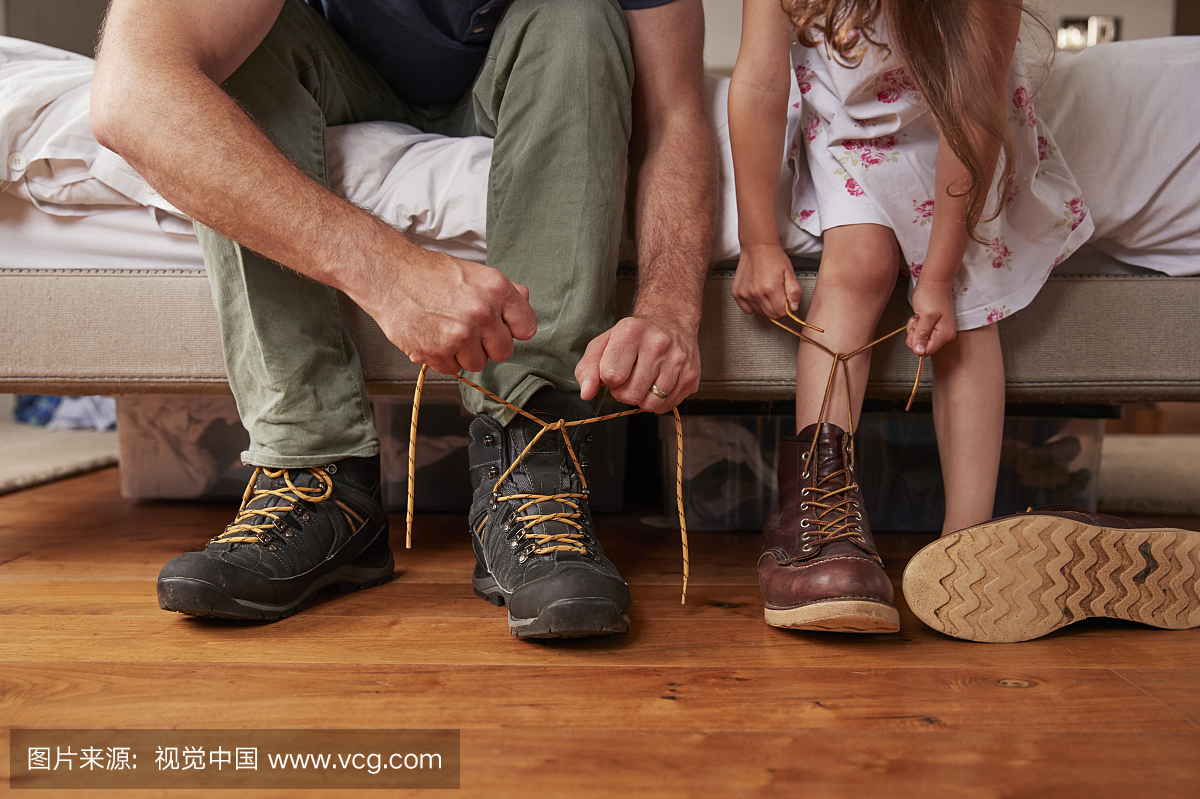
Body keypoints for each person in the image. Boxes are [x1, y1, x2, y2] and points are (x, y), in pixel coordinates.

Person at [89, 0, 717, 638]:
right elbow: (133, 91)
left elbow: (674, 114)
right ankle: (315, 471)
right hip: (338, 70)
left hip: (531, 62)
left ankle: (531, 457)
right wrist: (389, 273)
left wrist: (671, 305)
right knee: (233, 57)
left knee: (578, 12)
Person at [728, 0, 1092, 632]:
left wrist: (941, 277)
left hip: (958, 138)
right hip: (849, 126)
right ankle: (822, 505)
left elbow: (971, 117)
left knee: (971, 310)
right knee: (858, 265)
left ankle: (967, 544)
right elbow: (760, 81)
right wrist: (759, 241)